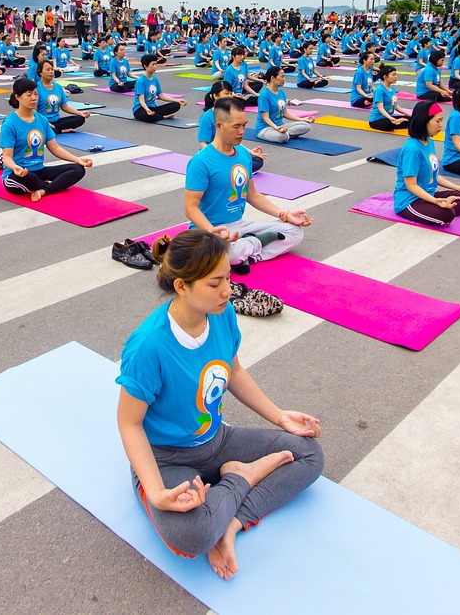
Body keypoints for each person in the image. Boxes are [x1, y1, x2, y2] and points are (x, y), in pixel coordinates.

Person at [115, 228, 324, 581]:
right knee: (192, 536)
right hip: (168, 457)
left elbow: (234, 371)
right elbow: (129, 424)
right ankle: (242, 479)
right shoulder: (149, 346)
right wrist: (157, 491)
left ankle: (230, 518)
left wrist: (279, 416)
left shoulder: (222, 314)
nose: (228, 290)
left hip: (217, 441)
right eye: (215, 284)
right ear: (182, 286)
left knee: (309, 454)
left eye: (227, 278)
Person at [183, 97, 310, 273]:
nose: (242, 131)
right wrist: (213, 231)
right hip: (208, 231)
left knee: (295, 232)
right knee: (226, 252)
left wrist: (285, 214)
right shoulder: (200, 161)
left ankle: (248, 254)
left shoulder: (243, 154)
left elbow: (252, 194)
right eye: (236, 126)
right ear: (219, 126)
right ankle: (252, 246)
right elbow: (191, 208)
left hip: (239, 225)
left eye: (244, 125)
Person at [0, 78, 93, 201]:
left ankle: (44, 190)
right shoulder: (9, 124)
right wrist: (15, 167)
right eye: (29, 95)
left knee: (77, 169)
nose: (33, 98)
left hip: (39, 170)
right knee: (27, 177)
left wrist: (78, 160)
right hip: (18, 174)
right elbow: (6, 157)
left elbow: (55, 148)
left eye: (36, 94)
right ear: (18, 97)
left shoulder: (42, 120)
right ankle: (49, 185)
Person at [393, 100, 460, 226]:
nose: (441, 125)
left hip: (428, 194)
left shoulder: (429, 142)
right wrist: (435, 201)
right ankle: (443, 208)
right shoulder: (412, 150)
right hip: (410, 201)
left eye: (441, 121)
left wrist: (458, 188)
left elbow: (433, 175)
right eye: (438, 121)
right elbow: (411, 185)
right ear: (424, 121)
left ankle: (443, 206)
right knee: (446, 215)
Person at [198, 81, 265, 173]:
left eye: (230, 93)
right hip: (213, 155)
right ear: (215, 96)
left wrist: (249, 151)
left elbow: (233, 140)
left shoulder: (232, 115)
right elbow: (202, 144)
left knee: (257, 160)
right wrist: (217, 156)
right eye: (226, 93)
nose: (230, 96)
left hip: (230, 151)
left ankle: (231, 168)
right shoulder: (207, 117)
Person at [255, 66, 312, 143]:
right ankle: (287, 134)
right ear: (273, 78)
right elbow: (265, 118)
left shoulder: (281, 92)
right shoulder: (264, 95)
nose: (284, 79)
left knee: (306, 125)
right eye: (282, 76)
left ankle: (286, 133)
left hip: (281, 125)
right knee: (283, 137)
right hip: (265, 128)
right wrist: (277, 128)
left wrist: (303, 119)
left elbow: (285, 113)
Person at [36, 59, 89, 132]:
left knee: (80, 119)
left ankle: (54, 128)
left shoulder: (57, 86)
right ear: (40, 72)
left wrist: (79, 113)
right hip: (43, 121)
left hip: (56, 121)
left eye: (52, 69)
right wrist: (46, 123)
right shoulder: (36, 88)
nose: (51, 72)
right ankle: (60, 130)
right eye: (47, 70)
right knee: (40, 125)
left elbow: (64, 106)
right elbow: (33, 112)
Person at [134, 55, 185, 122]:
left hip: (153, 108)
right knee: (148, 116)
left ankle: (156, 116)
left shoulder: (155, 79)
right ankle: (163, 116)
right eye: (153, 64)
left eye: (156, 64)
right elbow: (141, 101)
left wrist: (177, 100)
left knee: (176, 105)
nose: (155, 66)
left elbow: (161, 96)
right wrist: (147, 109)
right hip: (140, 109)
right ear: (145, 66)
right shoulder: (141, 81)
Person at [367, 64, 410, 131]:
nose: (396, 77)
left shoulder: (392, 89)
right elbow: (380, 108)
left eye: (396, 75)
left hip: (389, 118)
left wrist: (408, 114)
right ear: (385, 77)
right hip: (377, 120)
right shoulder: (379, 90)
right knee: (390, 125)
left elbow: (395, 106)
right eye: (393, 75)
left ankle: (397, 122)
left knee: (410, 120)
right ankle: (395, 122)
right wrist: (391, 119)